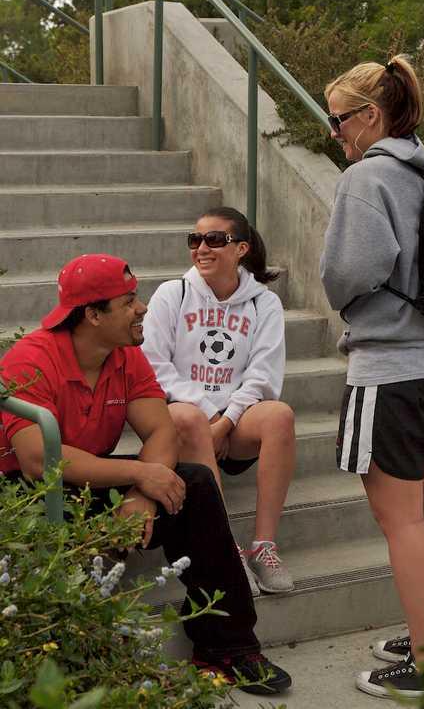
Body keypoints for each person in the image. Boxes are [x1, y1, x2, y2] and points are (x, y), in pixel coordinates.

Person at [0, 253, 292, 695]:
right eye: (128, 301)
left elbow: (161, 429)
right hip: (26, 497)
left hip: (88, 483)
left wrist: (142, 491)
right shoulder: (31, 359)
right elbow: (40, 460)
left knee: (194, 484)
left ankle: (227, 648)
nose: (142, 309)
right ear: (92, 315)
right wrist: (138, 475)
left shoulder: (125, 354)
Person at [320, 56, 424, 702]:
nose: (335, 134)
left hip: (389, 371)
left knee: (400, 520)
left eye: (339, 120)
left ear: (370, 116)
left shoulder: (367, 177)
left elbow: (347, 273)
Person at [141, 207, 296, 596]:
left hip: (234, 424)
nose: (202, 248)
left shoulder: (264, 304)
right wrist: (210, 414)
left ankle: (264, 545)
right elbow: (155, 366)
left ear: (241, 248)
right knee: (187, 417)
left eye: (215, 240)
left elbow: (263, 376)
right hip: (187, 422)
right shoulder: (172, 294)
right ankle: (227, 550)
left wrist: (227, 422)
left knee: (279, 415)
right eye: (195, 240)